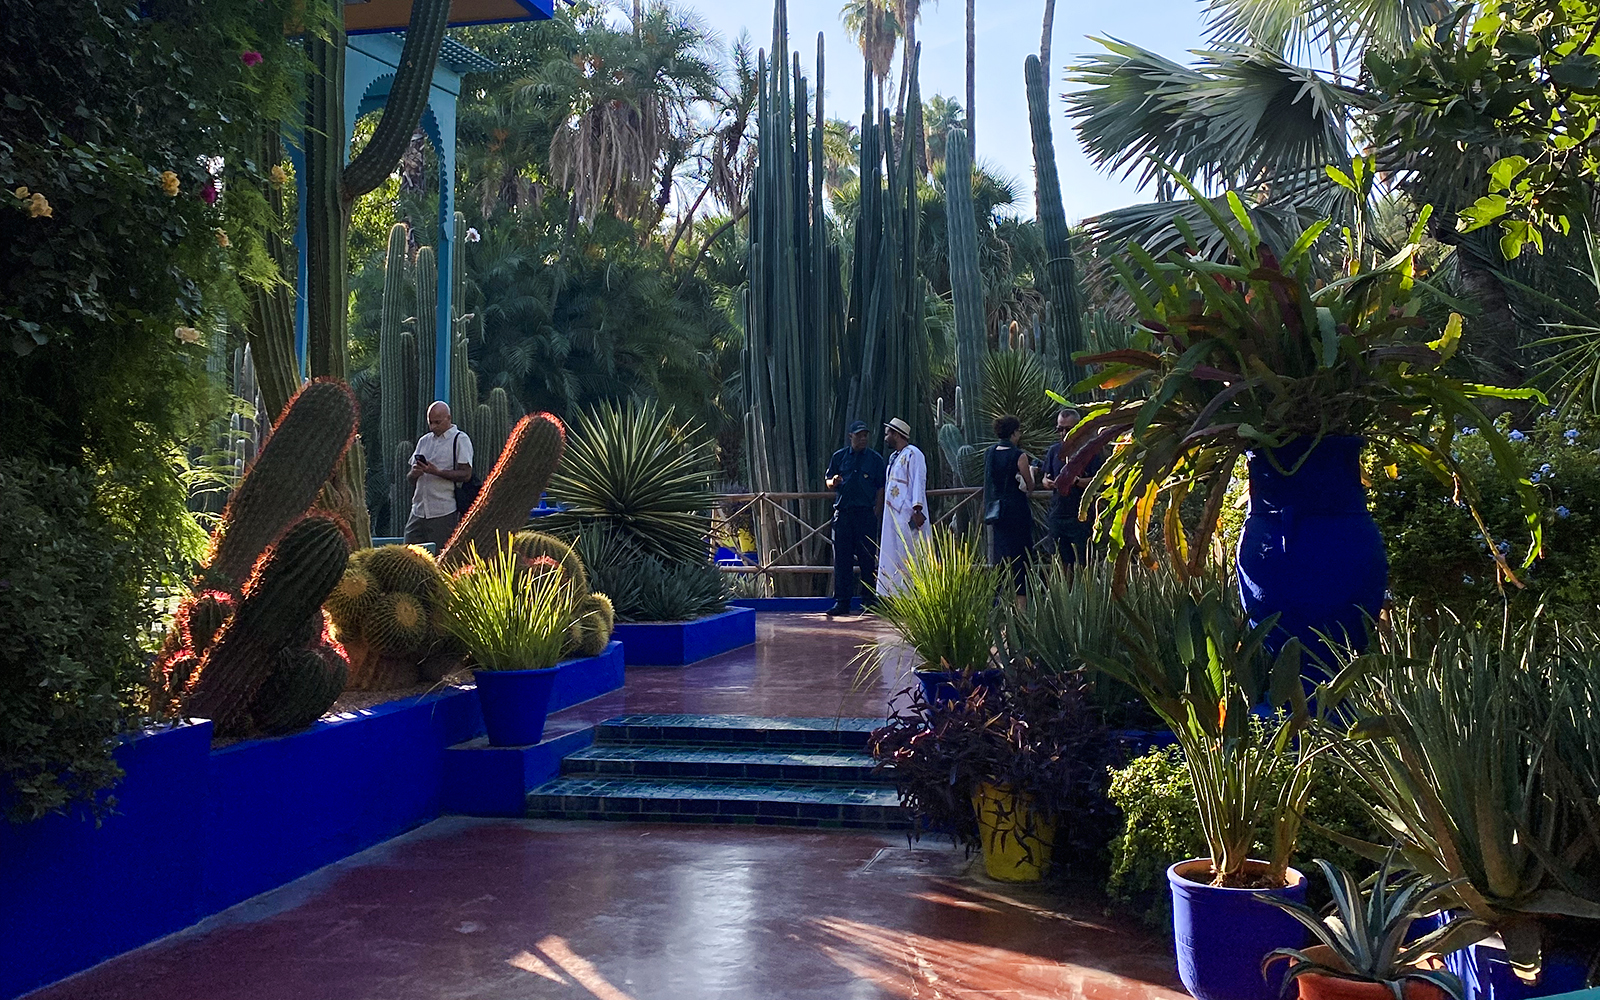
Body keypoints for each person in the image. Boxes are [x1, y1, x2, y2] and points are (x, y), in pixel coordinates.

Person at [824, 419, 886, 617]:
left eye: (865, 435)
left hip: (865, 516)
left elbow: (880, 488)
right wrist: (832, 482)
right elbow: (828, 479)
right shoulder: (839, 457)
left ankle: (868, 600)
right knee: (842, 561)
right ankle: (842, 602)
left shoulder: (875, 460)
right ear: (851, 436)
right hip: (843, 516)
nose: (863, 439)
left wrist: (876, 512)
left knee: (867, 560)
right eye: (859, 435)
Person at [1040, 407, 1105, 572]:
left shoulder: (1091, 450)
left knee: (1084, 564)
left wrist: (1076, 481)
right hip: (1058, 514)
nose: (1063, 433)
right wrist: (1047, 482)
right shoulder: (1054, 451)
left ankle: (1086, 596)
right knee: (1062, 565)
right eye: (1059, 429)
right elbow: (1045, 476)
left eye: (1067, 429)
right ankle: (1065, 596)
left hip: (1081, 516)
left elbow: (1100, 480)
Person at [404, 401, 474, 549]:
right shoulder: (424, 441)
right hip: (418, 509)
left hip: (443, 511)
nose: (433, 427)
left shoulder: (459, 439)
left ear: (448, 418)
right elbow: (410, 478)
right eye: (431, 423)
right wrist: (415, 473)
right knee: (408, 556)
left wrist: (437, 472)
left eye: (437, 422)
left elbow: (466, 474)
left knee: (439, 557)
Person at [984, 414, 1034, 605]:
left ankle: (997, 602)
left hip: (997, 512)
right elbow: (1029, 486)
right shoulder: (1018, 455)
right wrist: (1030, 474)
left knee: (1001, 557)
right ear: (1014, 433)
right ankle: (1021, 608)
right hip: (1016, 511)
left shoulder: (989, 453)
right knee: (1020, 559)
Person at [877, 417, 928, 597]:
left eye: (888, 433)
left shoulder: (914, 454)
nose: (886, 437)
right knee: (894, 552)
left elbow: (918, 480)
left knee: (911, 551)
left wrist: (917, 507)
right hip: (892, 513)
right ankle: (895, 594)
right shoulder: (894, 457)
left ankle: (915, 593)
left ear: (896, 434)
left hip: (907, 512)